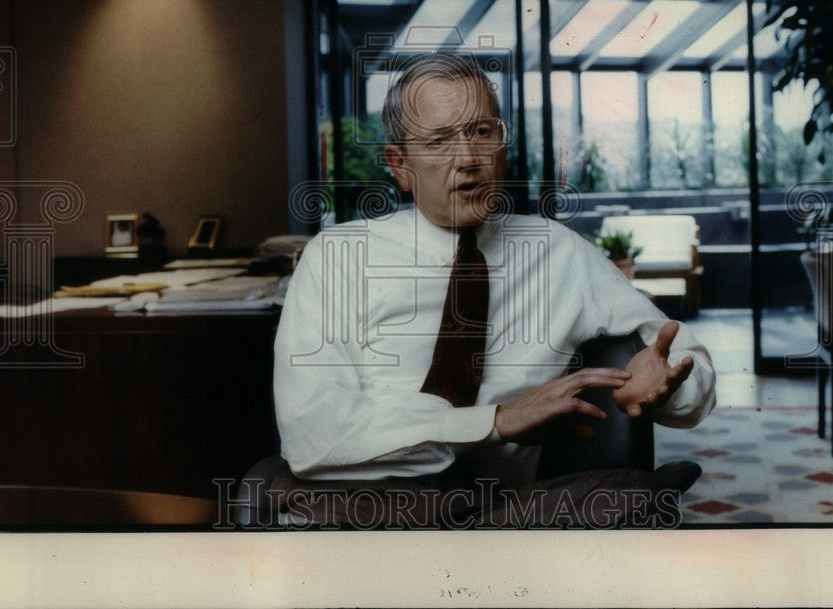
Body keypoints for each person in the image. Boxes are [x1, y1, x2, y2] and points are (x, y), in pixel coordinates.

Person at [271, 53, 716, 529]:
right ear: (400, 166)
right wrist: (494, 422)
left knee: (632, 497)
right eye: (440, 140)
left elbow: (687, 361)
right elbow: (311, 438)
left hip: (499, 514)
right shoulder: (337, 257)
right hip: (360, 512)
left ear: (502, 145)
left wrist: (665, 388)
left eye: (482, 132)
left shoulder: (557, 252)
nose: (468, 159)